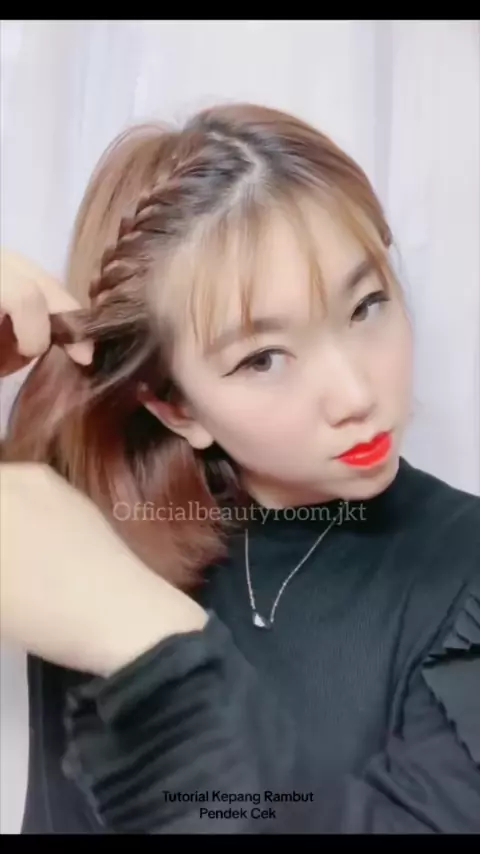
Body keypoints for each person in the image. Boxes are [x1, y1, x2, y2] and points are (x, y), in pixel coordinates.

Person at [0, 103, 479, 835]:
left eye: (366, 306)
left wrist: (148, 644)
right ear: (174, 406)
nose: (356, 394)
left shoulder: (465, 575)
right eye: (262, 359)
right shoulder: (82, 515)